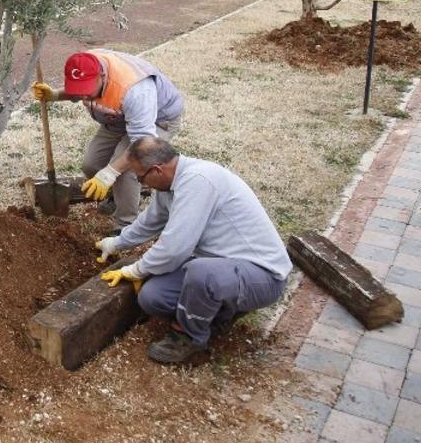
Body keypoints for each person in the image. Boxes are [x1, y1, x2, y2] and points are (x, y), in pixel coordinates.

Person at [97, 137, 291, 364]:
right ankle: (218, 312)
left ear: (157, 170)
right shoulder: (169, 184)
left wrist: (136, 270)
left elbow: (174, 248)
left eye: (141, 178)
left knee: (201, 273)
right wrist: (116, 243)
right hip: (218, 266)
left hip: (262, 275)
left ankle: (189, 337)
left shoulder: (199, 181)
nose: (143, 183)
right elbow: (150, 222)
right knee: (152, 297)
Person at [32, 49, 184, 233]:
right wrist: (56, 95)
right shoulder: (84, 63)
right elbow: (79, 86)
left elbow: (142, 145)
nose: (84, 97)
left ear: (102, 76)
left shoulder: (135, 90)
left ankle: (125, 225)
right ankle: (122, 193)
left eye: (87, 90)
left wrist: (110, 173)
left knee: (127, 170)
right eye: (80, 91)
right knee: (91, 164)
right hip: (117, 119)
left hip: (158, 120)